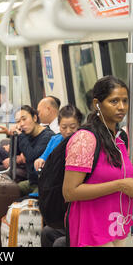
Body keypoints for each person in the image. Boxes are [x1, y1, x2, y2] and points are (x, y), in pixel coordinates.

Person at [62, 75, 133, 247]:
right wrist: (120, 185)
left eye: (125, 101)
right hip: (92, 228)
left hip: (117, 225)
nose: (121, 107)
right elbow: (70, 192)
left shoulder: (121, 139)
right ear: (97, 103)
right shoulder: (85, 139)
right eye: (114, 101)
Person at [36, 104, 83, 247]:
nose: (68, 132)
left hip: (71, 199)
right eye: (64, 127)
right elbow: (42, 159)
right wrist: (40, 161)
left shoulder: (83, 145)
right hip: (55, 192)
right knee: (46, 232)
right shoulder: (55, 140)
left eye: (73, 127)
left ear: (80, 125)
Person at [13, 105, 55, 196]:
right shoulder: (27, 135)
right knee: (7, 192)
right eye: (18, 121)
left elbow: (32, 156)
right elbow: (14, 153)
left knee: (24, 203)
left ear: (35, 118)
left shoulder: (47, 136)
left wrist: (21, 136)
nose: (21, 124)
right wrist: (14, 135)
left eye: (24, 119)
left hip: (44, 184)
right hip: (32, 181)